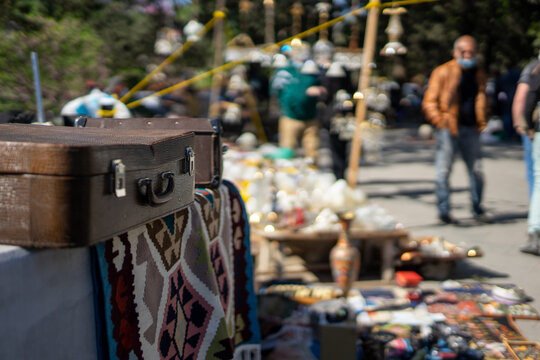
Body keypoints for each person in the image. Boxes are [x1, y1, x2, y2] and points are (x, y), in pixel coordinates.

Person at [422, 35, 488, 224]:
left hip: (472, 128)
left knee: (476, 170)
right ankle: (444, 210)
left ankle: (477, 208)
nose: (468, 55)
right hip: (448, 129)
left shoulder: (479, 73)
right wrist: (439, 120)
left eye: (472, 52)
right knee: (443, 171)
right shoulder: (443, 71)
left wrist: (483, 119)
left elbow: (482, 99)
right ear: (455, 52)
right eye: (464, 51)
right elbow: (429, 101)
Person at [270, 51, 326, 162]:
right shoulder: (284, 70)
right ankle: (285, 173)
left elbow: (327, 86)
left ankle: (311, 172)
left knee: (312, 150)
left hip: (310, 116)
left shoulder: (313, 69)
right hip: (290, 116)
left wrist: (320, 90)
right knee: (287, 149)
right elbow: (274, 90)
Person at [513, 54, 540, 255]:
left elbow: (526, 96)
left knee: (538, 180)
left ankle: (535, 231)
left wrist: (525, 125)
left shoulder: (536, 68)